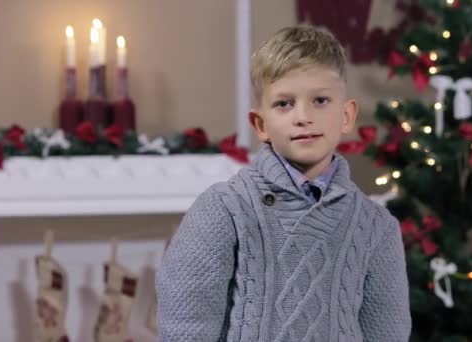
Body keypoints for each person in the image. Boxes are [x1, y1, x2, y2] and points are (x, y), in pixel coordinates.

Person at [156, 24, 411, 342]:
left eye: (320, 100)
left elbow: (387, 332)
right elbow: (185, 325)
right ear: (260, 124)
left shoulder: (376, 227)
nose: (303, 116)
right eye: (284, 104)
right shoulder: (223, 210)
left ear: (347, 116)